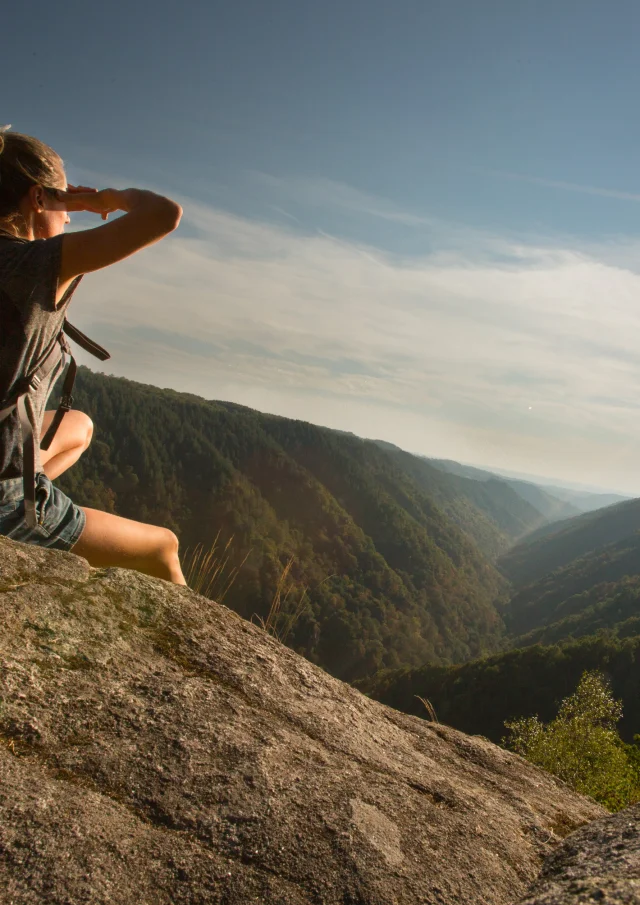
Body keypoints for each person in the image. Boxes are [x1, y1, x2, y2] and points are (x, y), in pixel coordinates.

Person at [0, 129, 186, 585]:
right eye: (64, 207)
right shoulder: (32, 265)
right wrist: (104, 198)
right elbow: (163, 214)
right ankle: (22, 530)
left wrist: (62, 200)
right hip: (1, 494)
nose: (68, 221)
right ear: (38, 199)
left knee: (79, 426)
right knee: (163, 547)